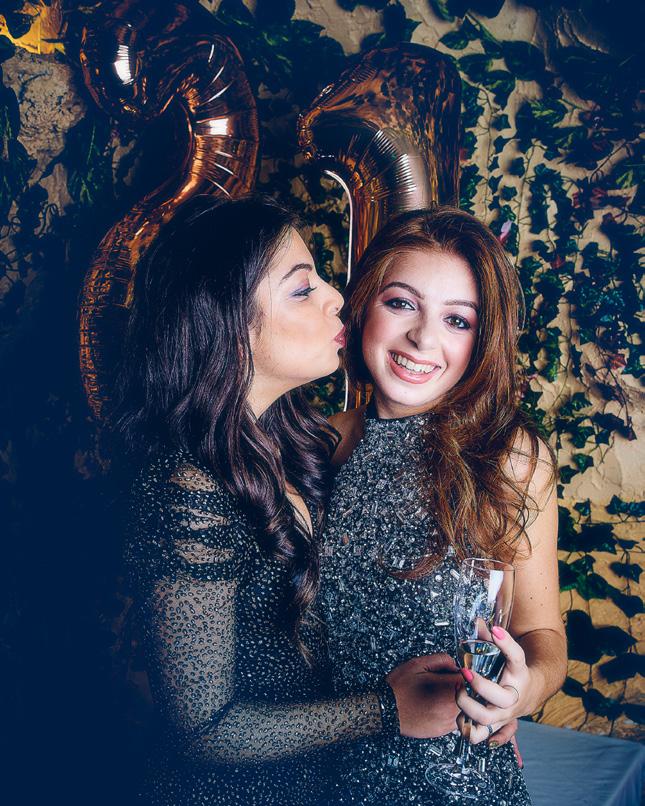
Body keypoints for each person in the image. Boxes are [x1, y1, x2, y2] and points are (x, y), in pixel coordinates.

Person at [112, 195, 473, 806]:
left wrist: (471, 700)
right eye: (303, 289)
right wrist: (386, 709)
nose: (338, 298)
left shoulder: (298, 444)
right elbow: (203, 728)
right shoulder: (187, 488)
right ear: (228, 324)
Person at [319, 206, 568, 805]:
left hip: (459, 781)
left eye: (457, 320)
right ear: (363, 306)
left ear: (482, 341)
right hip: (317, 773)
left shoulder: (511, 457)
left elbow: (541, 634)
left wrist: (520, 693)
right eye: (401, 303)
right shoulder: (314, 446)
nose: (423, 339)